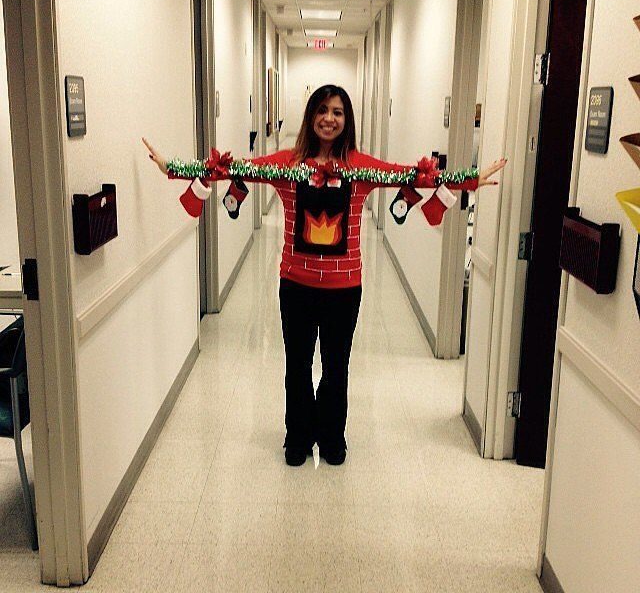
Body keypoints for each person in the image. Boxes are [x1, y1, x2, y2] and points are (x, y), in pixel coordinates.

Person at [143, 84, 506, 467]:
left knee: (336, 366)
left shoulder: (362, 168)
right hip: (295, 284)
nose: (329, 119)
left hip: (344, 289)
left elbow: (413, 177)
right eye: (322, 110)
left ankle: (333, 437)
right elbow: (229, 169)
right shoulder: (285, 165)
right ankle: (297, 437)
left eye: (337, 112)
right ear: (310, 116)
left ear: (346, 120)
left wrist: (470, 178)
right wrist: (172, 167)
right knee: (297, 366)